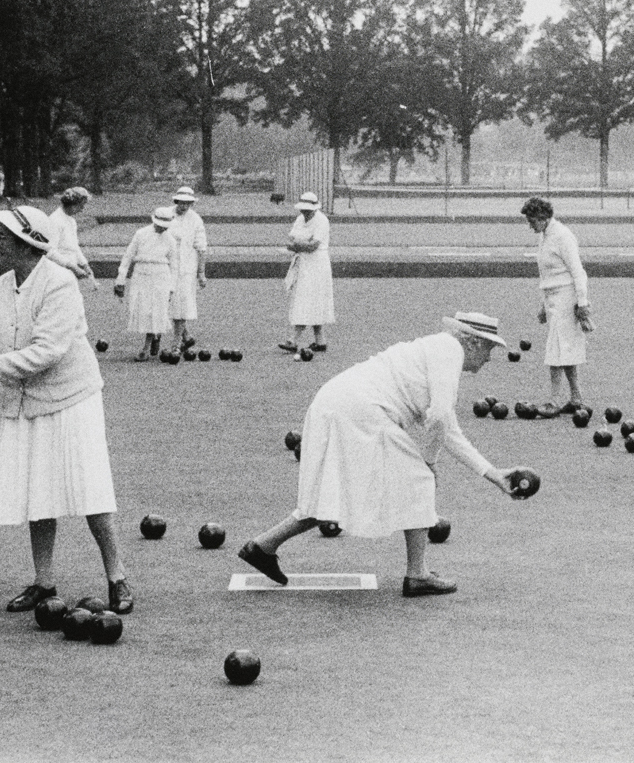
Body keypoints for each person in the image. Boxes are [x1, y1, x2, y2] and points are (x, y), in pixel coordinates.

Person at [237, 312, 528, 597]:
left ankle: (262, 547)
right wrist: (428, 461)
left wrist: (492, 473)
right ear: (473, 342)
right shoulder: (450, 349)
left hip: (338, 403)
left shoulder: (438, 349)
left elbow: (447, 427)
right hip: (360, 409)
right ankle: (418, 575)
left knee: (335, 492)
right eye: (489, 347)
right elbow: (439, 417)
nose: (490, 357)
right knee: (418, 479)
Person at [0, 205, 131, 614]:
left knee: (90, 487)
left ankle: (117, 577)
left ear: (26, 244)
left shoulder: (60, 284)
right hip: (26, 401)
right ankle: (44, 583)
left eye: (3, 235)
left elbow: (47, 351)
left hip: (71, 397)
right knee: (37, 491)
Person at [520, 197, 593, 417]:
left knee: (556, 349)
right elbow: (548, 274)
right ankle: (576, 398)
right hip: (553, 298)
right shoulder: (544, 236)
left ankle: (552, 402)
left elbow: (578, 272)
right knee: (565, 348)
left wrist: (582, 303)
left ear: (543, 218)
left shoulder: (562, 235)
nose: (529, 225)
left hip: (567, 298)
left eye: (532, 220)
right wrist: (544, 305)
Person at [114, 206, 175, 362]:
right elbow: (128, 256)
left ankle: (146, 347)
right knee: (144, 310)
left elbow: (174, 265)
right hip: (141, 275)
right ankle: (155, 335)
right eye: (159, 225)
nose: (162, 228)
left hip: (161, 276)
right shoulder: (140, 234)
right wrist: (120, 280)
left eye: (165, 226)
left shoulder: (170, 239)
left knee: (156, 310)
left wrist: (172, 288)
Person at [280, 191, 335, 358]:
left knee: (308, 299)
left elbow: (313, 246)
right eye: (302, 209)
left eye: (307, 210)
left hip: (318, 265)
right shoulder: (300, 219)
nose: (304, 212)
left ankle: (292, 340)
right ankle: (320, 342)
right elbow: (291, 240)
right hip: (304, 264)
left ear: (314, 208)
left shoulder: (322, 221)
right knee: (308, 299)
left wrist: (298, 244)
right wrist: (301, 244)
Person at [167, 186, 207, 351]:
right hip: (167, 266)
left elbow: (201, 248)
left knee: (181, 306)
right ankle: (186, 336)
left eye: (188, 203)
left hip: (186, 269)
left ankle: (176, 344)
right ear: (176, 201)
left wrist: (201, 273)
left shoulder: (196, 219)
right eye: (181, 203)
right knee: (167, 304)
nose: (184, 206)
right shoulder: (166, 214)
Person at [47, 187, 98, 289]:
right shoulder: (55, 220)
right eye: (81, 205)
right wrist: (72, 267)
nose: (82, 209)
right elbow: (50, 252)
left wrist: (85, 265)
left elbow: (74, 247)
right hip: (57, 272)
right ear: (73, 204)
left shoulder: (71, 221)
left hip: (70, 273)